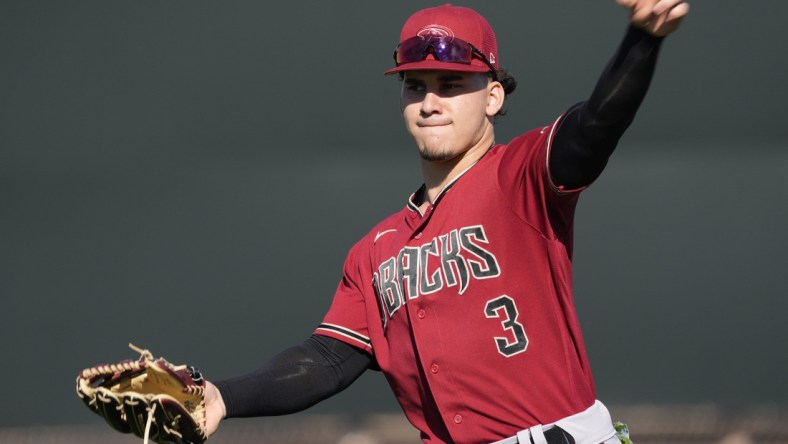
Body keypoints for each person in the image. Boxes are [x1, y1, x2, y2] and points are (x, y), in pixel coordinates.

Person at [202, 1, 689, 443]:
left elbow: (597, 126)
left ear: (493, 96)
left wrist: (642, 40)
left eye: (451, 84)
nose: (430, 102)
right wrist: (222, 397)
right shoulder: (375, 250)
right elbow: (326, 360)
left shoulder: (519, 177)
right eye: (415, 86)